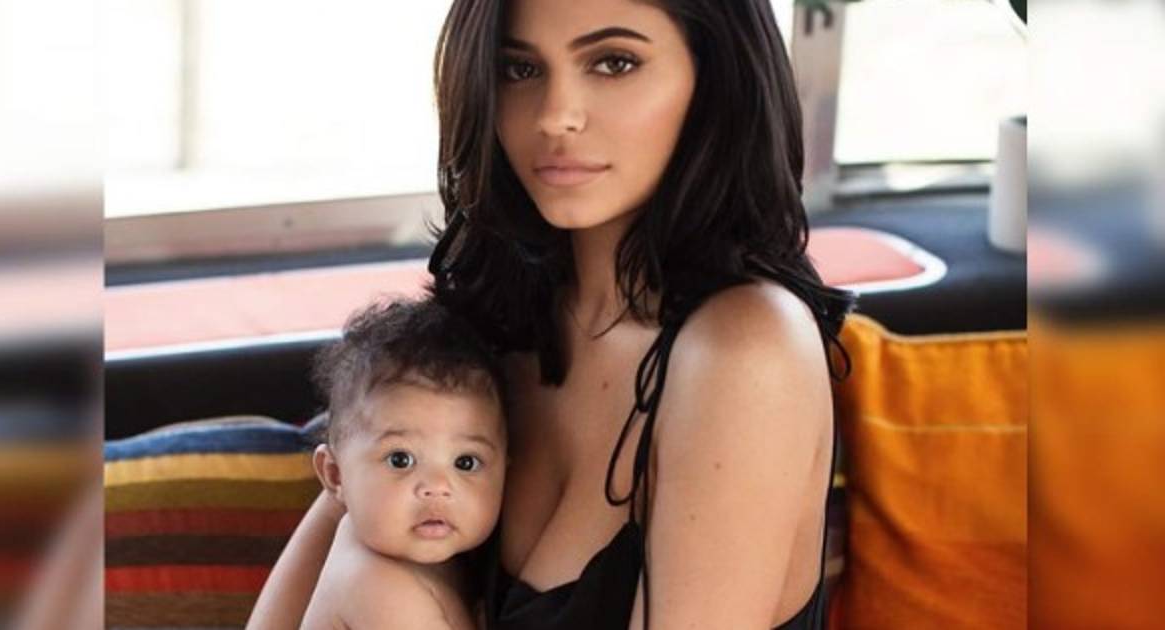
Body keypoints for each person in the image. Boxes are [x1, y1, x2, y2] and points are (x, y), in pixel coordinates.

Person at [254, 0, 856, 628]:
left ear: (715, 77)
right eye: (519, 70)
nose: (554, 116)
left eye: (614, 63)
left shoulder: (746, 349)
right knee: (364, 562)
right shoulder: (487, 328)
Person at [250, 300, 508, 629]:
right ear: (335, 475)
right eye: (401, 459)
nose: (437, 487)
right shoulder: (378, 585)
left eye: (466, 462)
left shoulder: (444, 560)